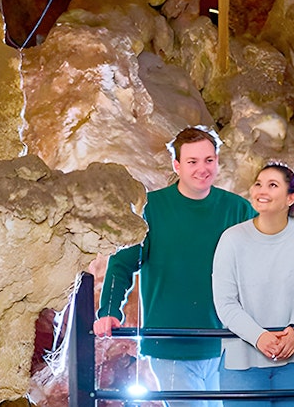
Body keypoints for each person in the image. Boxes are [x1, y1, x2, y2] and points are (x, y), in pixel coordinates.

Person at [94, 126, 257, 407]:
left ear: (217, 161)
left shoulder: (238, 209)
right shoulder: (151, 209)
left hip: (227, 345)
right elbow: (121, 264)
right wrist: (108, 311)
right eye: (192, 161)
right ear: (177, 165)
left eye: (208, 160)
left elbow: (263, 263)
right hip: (171, 347)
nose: (202, 169)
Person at [211, 163, 294, 407]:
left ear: (291, 197)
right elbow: (225, 303)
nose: (262, 190)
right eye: (258, 184)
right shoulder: (231, 239)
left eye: (272, 185)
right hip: (242, 363)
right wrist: (259, 337)